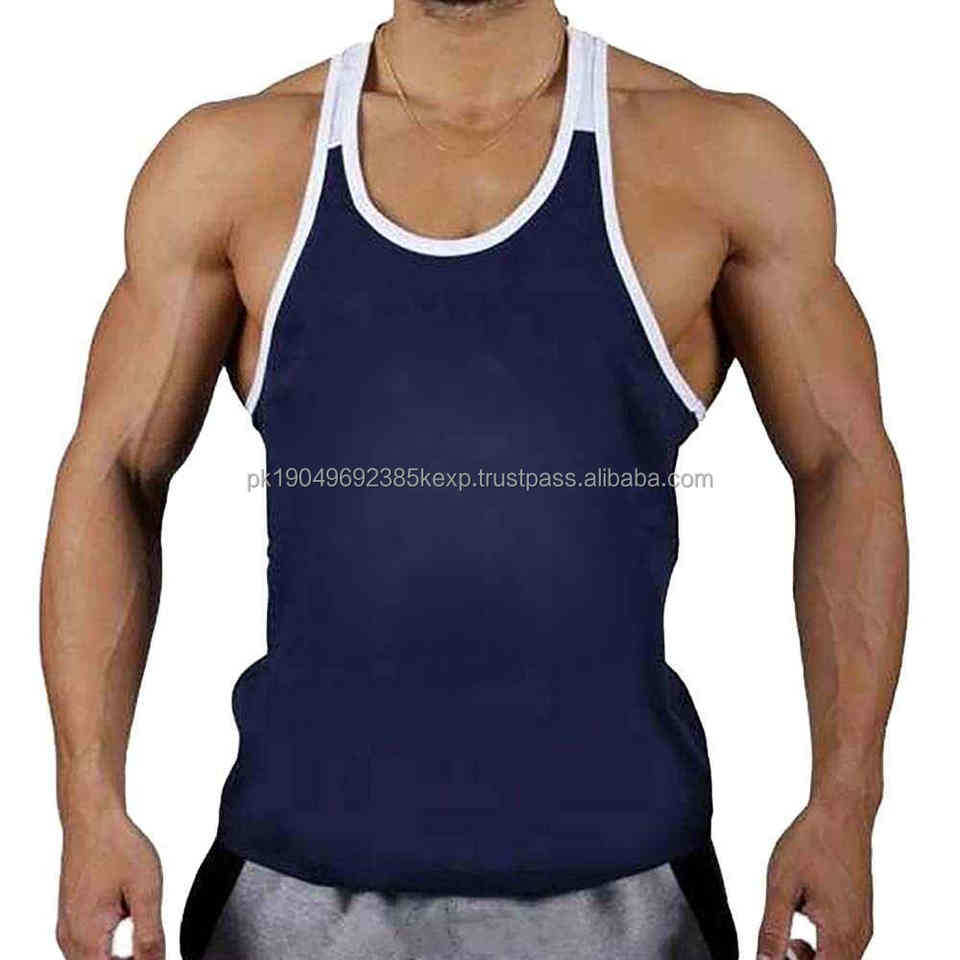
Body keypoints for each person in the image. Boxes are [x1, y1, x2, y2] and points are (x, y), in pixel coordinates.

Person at [40, 1, 907, 958]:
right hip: (293, 886)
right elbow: (114, 468)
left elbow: (842, 464)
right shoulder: (230, 164)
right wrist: (89, 805)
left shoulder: (721, 157)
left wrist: (845, 803)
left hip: (628, 890)